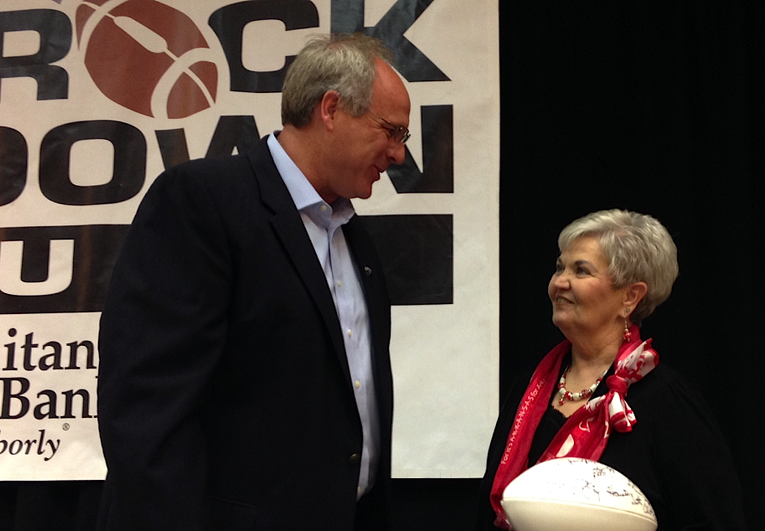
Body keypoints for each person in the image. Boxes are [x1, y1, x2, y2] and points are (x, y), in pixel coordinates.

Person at [96, 33, 410, 531]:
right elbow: (145, 412)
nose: (397, 155)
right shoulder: (202, 201)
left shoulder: (355, 238)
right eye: (391, 131)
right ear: (331, 109)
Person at [476, 210, 747, 530]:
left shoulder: (666, 402)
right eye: (559, 267)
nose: (560, 282)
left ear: (630, 297)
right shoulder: (527, 390)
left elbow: (715, 520)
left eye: (581, 271)